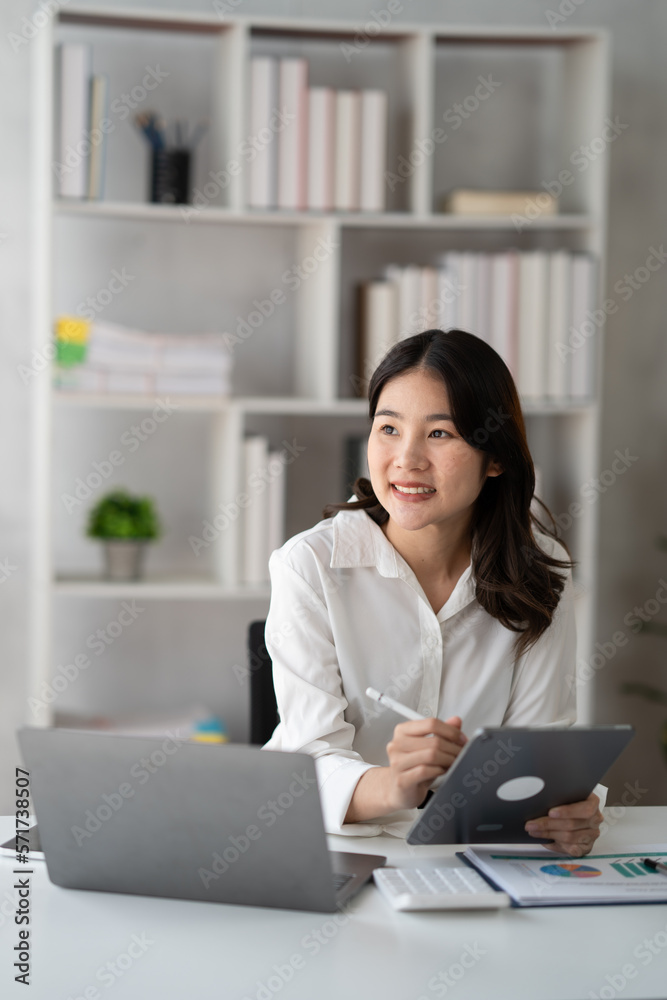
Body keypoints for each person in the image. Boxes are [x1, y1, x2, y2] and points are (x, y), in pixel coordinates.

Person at [263, 329, 603, 857]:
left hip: (475, 854)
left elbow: (538, 752)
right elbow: (307, 763)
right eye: (389, 428)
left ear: (496, 457)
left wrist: (562, 811)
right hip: (332, 853)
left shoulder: (541, 570)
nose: (407, 459)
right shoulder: (309, 566)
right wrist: (397, 786)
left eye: (440, 434)